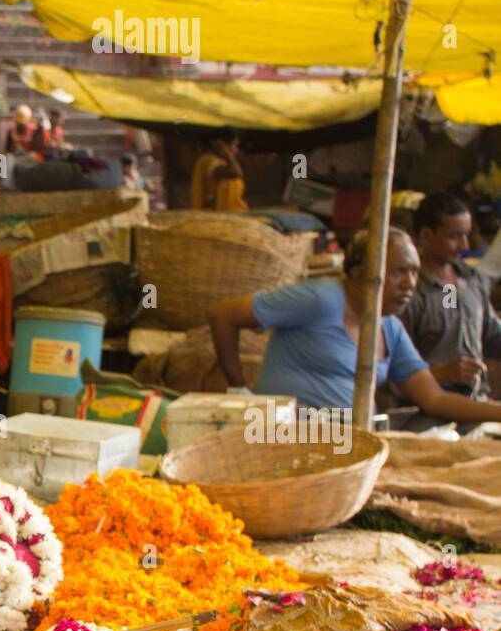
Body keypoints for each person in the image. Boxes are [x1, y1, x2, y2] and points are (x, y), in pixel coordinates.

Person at [210, 228, 501, 426]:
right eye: (399, 271)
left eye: (414, 272)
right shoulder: (320, 298)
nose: (410, 284)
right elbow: (224, 314)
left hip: (352, 444)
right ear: (361, 272)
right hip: (288, 438)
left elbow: (434, 399)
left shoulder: (390, 328)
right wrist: (238, 389)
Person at [400, 191, 501, 403]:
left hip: (476, 401)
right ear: (426, 235)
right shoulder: (407, 293)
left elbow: (493, 337)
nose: (464, 246)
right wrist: (442, 373)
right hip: (427, 407)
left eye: (466, 235)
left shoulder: (470, 281)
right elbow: (392, 371)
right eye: (454, 236)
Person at [190, 128, 247, 212]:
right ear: (219, 144)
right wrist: (226, 152)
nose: (236, 150)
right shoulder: (208, 162)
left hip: (233, 215)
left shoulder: (222, 162)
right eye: (234, 145)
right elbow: (235, 173)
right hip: (215, 218)